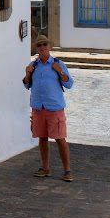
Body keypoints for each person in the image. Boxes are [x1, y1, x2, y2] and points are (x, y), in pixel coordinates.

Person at [23, 35, 74, 182]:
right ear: (36, 48)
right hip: (38, 107)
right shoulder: (33, 65)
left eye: (45, 44)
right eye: (39, 45)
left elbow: (69, 84)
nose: (42, 47)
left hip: (54, 107)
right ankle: (45, 168)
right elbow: (27, 85)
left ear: (49, 47)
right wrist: (27, 74)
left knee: (60, 139)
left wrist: (60, 71)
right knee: (42, 138)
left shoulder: (58, 64)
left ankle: (67, 170)